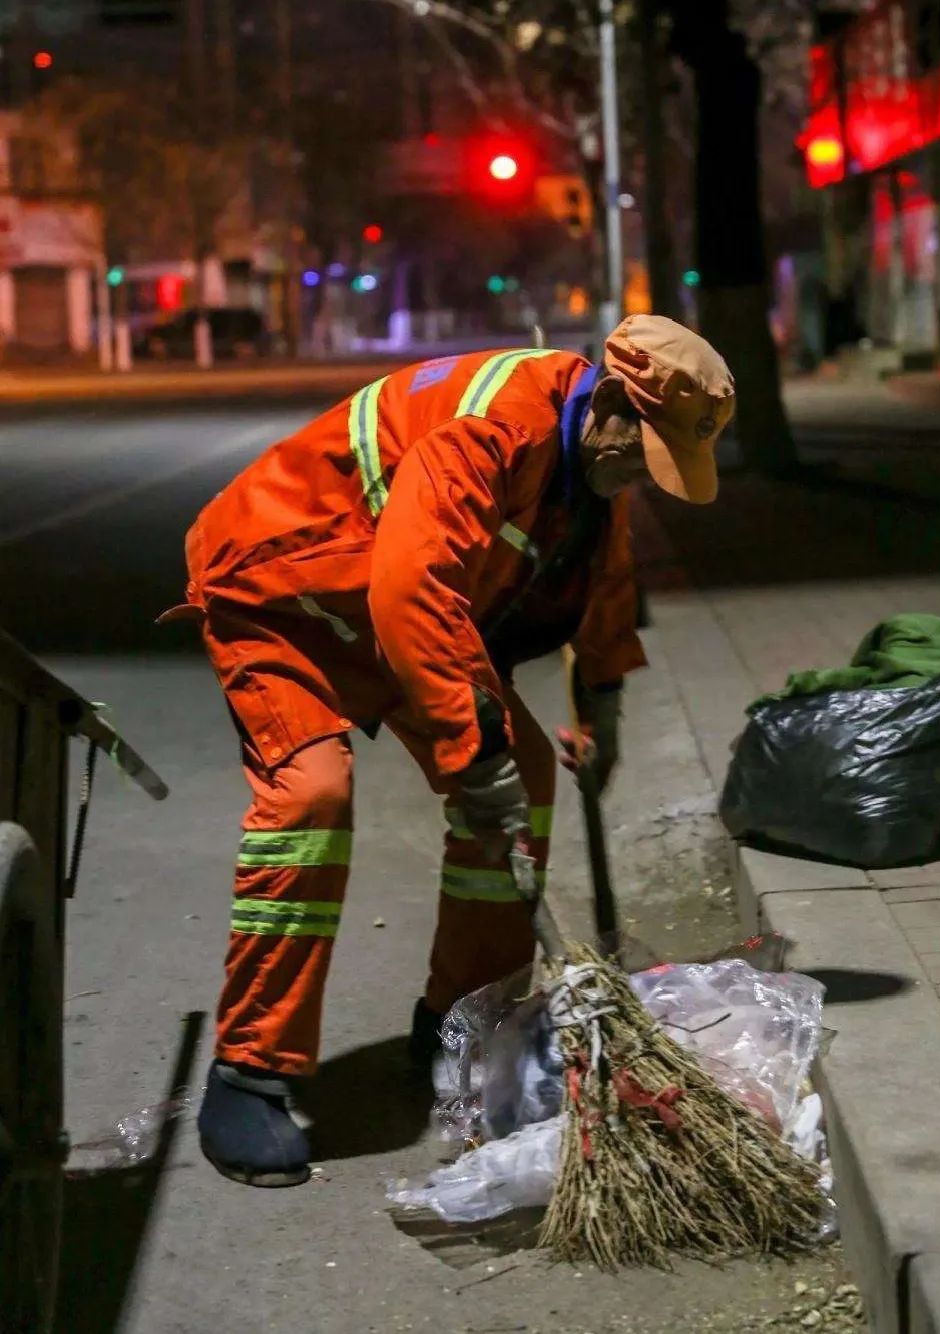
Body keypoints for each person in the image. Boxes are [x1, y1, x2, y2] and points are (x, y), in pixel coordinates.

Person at [166, 314, 735, 1186]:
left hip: (390, 616)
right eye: (639, 456)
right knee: (310, 798)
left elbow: (602, 572)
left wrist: (604, 702)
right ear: (615, 403)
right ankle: (250, 1071)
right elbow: (415, 587)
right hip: (284, 591)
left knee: (528, 774)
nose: (636, 479)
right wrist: (475, 755)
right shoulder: (498, 424)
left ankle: (462, 1023)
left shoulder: (589, 451)